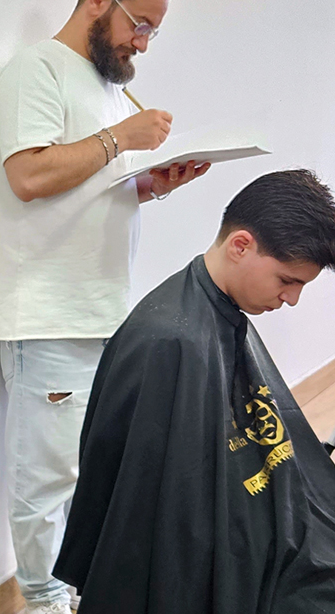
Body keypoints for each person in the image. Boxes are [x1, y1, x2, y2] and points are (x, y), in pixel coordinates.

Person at [0, 0, 210, 613]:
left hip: (102, 309)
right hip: (47, 312)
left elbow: (84, 189)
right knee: (46, 478)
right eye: (139, 25)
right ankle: (42, 599)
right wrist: (123, 140)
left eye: (153, 32)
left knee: (88, 470)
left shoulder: (106, 89)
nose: (142, 43)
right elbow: (29, 175)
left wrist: (152, 184)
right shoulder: (35, 71)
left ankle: (78, 592)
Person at [54, 169, 335, 613]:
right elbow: (157, 521)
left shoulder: (221, 310)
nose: (292, 299)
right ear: (240, 245)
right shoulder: (167, 343)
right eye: (287, 281)